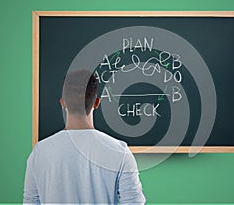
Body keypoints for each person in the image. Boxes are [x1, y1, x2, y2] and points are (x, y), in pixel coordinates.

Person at [23, 70, 146, 204]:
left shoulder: (40, 152)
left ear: (63, 103)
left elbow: (30, 201)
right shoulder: (120, 152)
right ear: (97, 102)